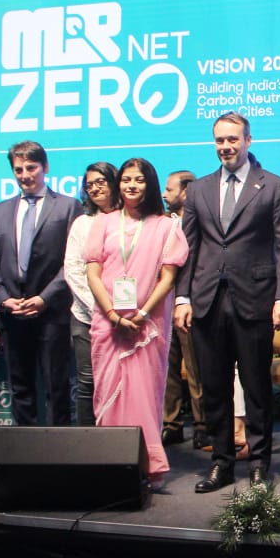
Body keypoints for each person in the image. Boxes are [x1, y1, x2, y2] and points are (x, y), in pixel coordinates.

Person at [175, 112, 280, 492]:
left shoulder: (274, 186)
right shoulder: (198, 189)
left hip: (256, 300)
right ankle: (222, 463)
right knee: (213, 388)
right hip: (207, 301)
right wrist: (182, 297)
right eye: (220, 140)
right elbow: (188, 248)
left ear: (248, 140)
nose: (225, 146)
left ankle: (259, 464)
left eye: (232, 139)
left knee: (256, 387)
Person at [85, 157, 189, 485]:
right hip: (108, 325)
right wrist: (113, 315)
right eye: (127, 179)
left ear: (150, 184)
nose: (132, 185)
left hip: (148, 327)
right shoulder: (103, 223)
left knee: (145, 395)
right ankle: (108, 463)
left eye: (139, 180)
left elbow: (167, 278)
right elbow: (93, 273)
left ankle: (145, 465)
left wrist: (141, 314)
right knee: (107, 393)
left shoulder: (166, 226)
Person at [0, 141, 82, 425]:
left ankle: (57, 447)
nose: (25, 175)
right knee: (20, 386)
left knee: (56, 386)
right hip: (12, 313)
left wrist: (44, 298)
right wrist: (3, 299)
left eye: (31, 167)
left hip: (51, 312)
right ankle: (24, 445)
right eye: (18, 169)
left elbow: (73, 262)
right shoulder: (0, 210)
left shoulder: (68, 206)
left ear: (45, 167)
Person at [64, 161, 120, 426]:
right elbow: (73, 271)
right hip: (86, 317)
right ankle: (87, 440)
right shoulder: (82, 224)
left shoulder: (130, 220)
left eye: (101, 182)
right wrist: (102, 310)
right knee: (88, 382)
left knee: (122, 381)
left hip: (126, 318)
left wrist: (120, 312)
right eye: (89, 185)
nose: (95, 189)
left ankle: (122, 438)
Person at [160, 169, 206, 449]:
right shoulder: (159, 222)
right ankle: (171, 424)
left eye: (169, 189)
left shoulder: (201, 220)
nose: (164, 194)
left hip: (191, 302)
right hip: (162, 302)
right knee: (167, 368)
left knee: (196, 367)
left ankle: (202, 425)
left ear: (185, 192)